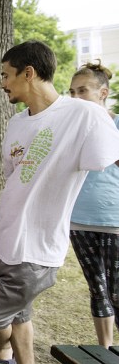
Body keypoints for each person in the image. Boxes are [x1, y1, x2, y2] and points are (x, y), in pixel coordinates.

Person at [0, 41, 119, 364]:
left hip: (38, 246)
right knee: (19, 316)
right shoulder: (15, 122)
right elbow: (13, 182)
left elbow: (113, 157)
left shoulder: (83, 115)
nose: (2, 84)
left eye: (5, 76)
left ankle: (0, 348)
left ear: (29, 73)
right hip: (7, 238)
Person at [68, 61, 119, 348]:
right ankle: (106, 352)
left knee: (117, 293)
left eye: (82, 90)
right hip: (78, 220)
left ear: (103, 92)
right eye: (72, 92)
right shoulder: (73, 130)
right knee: (98, 289)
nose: (75, 97)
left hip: (115, 222)